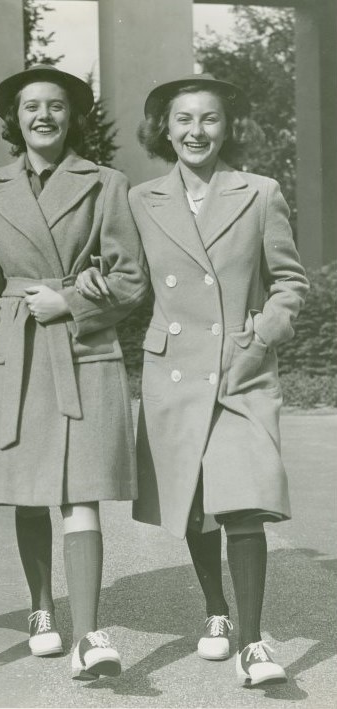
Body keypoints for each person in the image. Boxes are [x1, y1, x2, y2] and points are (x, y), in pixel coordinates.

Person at [78, 72, 309, 687]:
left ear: (226, 126)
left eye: (208, 119)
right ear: (165, 129)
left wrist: (263, 333)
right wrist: (85, 289)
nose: (196, 131)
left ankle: (254, 643)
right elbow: (125, 277)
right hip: (173, 370)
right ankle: (215, 613)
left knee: (245, 500)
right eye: (183, 120)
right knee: (198, 503)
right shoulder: (141, 200)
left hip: (241, 369)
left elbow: (290, 281)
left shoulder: (260, 193)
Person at [0, 64, 148, 680]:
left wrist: (76, 302)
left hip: (79, 348)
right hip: (14, 345)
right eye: (31, 107)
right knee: (28, 491)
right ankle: (41, 611)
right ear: (15, 120)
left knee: (79, 490)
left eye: (56, 106)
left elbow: (130, 277)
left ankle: (89, 632)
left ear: (72, 116)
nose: (43, 116)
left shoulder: (108, 183)